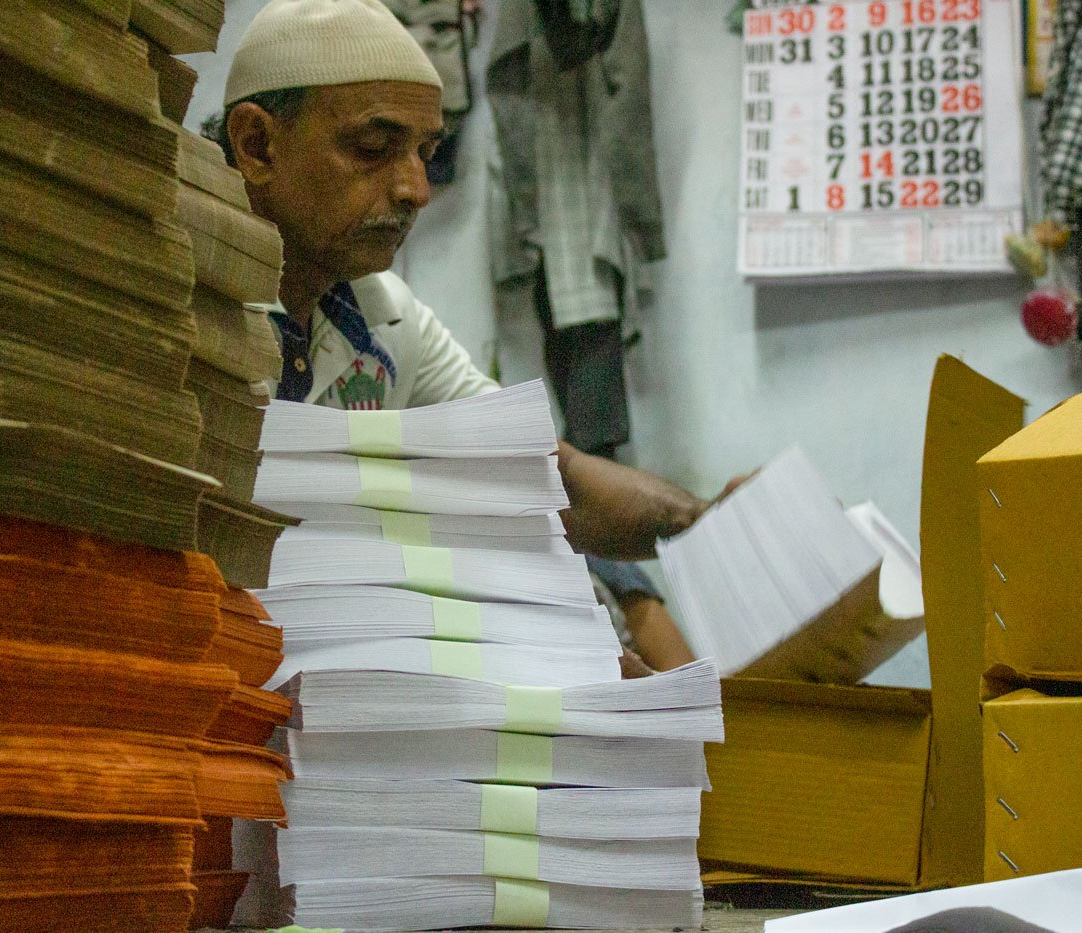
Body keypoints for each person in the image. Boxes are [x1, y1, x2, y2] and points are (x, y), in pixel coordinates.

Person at [213, 0, 735, 567]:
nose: (416, 189)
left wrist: (710, 524)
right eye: (372, 149)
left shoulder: (382, 316)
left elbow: (549, 479)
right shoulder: (169, 294)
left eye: (425, 152)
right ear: (256, 145)